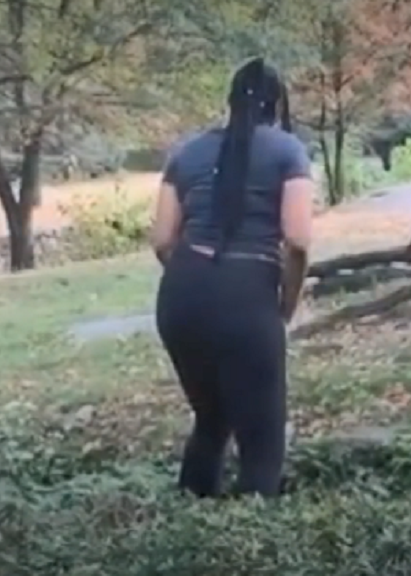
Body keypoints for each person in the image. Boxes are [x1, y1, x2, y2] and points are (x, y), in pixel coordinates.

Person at [149, 57, 314, 498]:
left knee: (211, 418)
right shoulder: (287, 150)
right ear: (275, 105)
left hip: (180, 294)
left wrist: (198, 280)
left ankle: (193, 512)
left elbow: (163, 239)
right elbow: (297, 240)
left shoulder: (186, 152)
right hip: (248, 292)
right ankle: (254, 540)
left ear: (229, 102)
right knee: (262, 437)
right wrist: (287, 302)